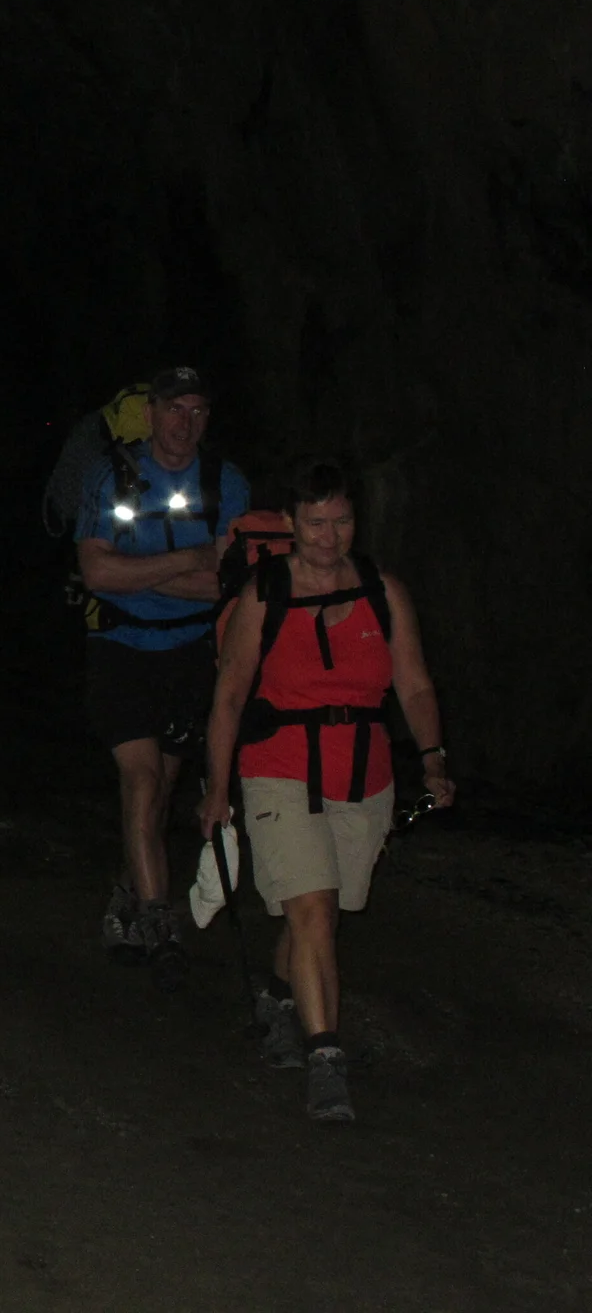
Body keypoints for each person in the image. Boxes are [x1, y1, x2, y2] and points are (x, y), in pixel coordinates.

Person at [198, 460, 454, 1122]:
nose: (328, 536)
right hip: (279, 762)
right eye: (315, 522)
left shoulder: (382, 590)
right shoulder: (266, 592)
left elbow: (415, 684)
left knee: (325, 911)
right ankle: (327, 1059)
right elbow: (228, 695)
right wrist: (217, 787)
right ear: (289, 524)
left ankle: (280, 998)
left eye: (341, 521)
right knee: (311, 912)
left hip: (362, 772)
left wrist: (432, 760)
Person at [75, 366, 248, 990]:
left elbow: (225, 583)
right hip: (119, 650)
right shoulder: (112, 475)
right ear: (151, 411)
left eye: (199, 411)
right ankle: (159, 922)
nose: (186, 423)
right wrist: (189, 560)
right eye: (176, 409)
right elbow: (96, 575)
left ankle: (124, 900)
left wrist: (141, 568)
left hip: (189, 656)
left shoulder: (224, 482)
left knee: (158, 794)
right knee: (143, 783)